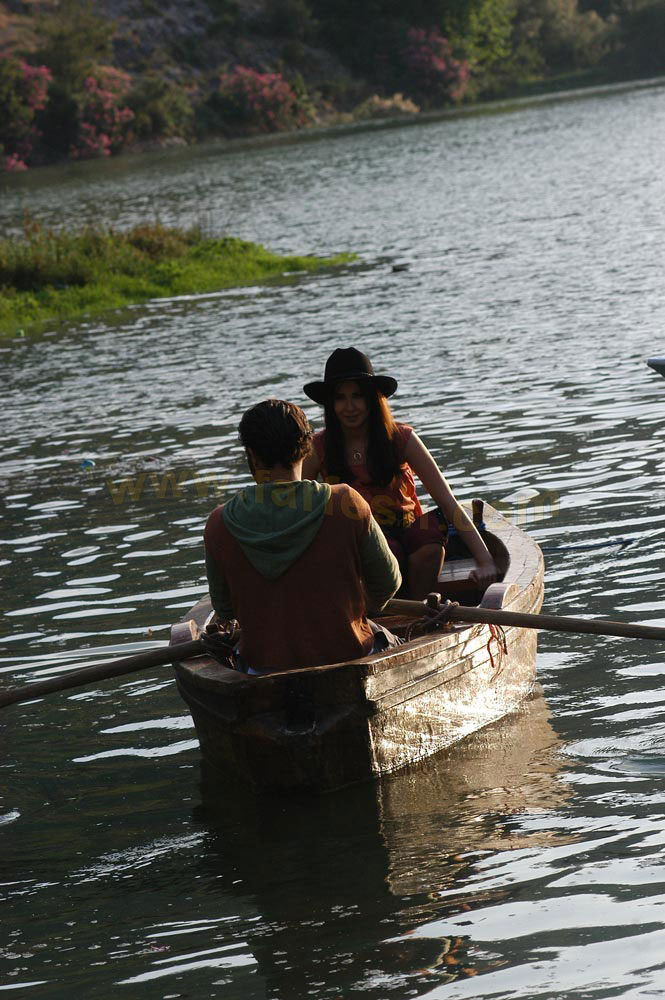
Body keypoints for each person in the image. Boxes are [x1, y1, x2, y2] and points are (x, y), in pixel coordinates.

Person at [204, 399, 402, 674]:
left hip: (262, 671)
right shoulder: (346, 502)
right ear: (306, 448)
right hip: (350, 657)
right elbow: (388, 582)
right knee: (390, 638)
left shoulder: (218, 523)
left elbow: (225, 610)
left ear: (253, 455)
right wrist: (357, 610)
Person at [302, 347, 497, 600]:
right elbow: (296, 509)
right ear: (331, 403)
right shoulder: (318, 447)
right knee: (382, 550)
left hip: (409, 537)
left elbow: (448, 502)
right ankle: (382, 612)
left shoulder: (402, 438)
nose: (349, 407)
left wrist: (485, 561)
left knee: (429, 536)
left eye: (358, 396)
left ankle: (419, 609)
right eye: (340, 398)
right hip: (362, 543)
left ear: (373, 399)